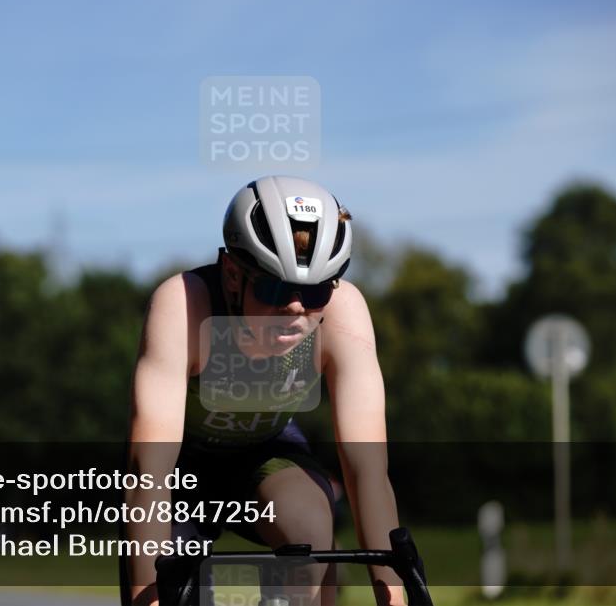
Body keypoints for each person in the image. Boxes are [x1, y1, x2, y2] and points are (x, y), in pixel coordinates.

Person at [122, 176, 406, 606]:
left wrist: (393, 595)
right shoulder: (184, 305)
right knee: (169, 585)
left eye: (315, 291)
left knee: (311, 532)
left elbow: (366, 470)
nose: (295, 308)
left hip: (265, 453)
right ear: (232, 274)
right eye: (273, 288)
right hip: (180, 467)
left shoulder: (344, 312)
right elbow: (150, 471)